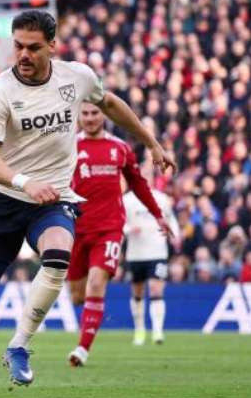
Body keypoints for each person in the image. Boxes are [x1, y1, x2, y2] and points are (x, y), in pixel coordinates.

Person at [0, 10, 175, 397]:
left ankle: (19, 346)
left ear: (52, 46)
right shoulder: (0, 92)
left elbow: (110, 103)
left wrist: (151, 143)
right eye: (18, 46)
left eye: (33, 47)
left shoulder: (76, 77)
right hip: (6, 200)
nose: (24, 54)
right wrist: (25, 182)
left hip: (54, 198)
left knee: (57, 255)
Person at [66, 103, 174, 367]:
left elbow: (138, 183)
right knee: (77, 296)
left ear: (104, 114)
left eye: (95, 113)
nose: (90, 118)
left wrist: (158, 214)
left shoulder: (120, 148)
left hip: (109, 229)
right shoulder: (69, 146)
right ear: (79, 116)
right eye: (85, 113)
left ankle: (82, 349)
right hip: (77, 230)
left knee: (95, 284)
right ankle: (92, 316)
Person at [123, 185, 180, 346]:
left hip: (157, 251)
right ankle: (139, 329)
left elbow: (171, 219)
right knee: (138, 292)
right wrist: (128, 229)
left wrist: (175, 235)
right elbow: (119, 221)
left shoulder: (161, 198)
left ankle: (157, 331)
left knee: (156, 289)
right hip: (136, 253)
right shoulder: (127, 200)